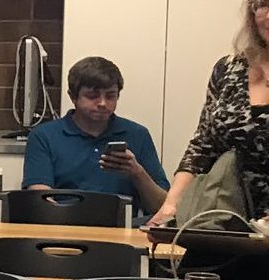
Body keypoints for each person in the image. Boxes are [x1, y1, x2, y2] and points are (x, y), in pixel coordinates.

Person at [149, 0, 269, 230]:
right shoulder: (229, 69)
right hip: (225, 226)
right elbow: (202, 146)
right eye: (263, 4)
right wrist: (171, 206)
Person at [22, 59, 170, 222]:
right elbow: (41, 200)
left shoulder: (137, 135)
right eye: (93, 96)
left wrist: (137, 173)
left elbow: (162, 207)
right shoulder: (44, 136)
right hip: (61, 228)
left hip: (121, 231)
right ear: (73, 96)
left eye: (110, 96)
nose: (103, 103)